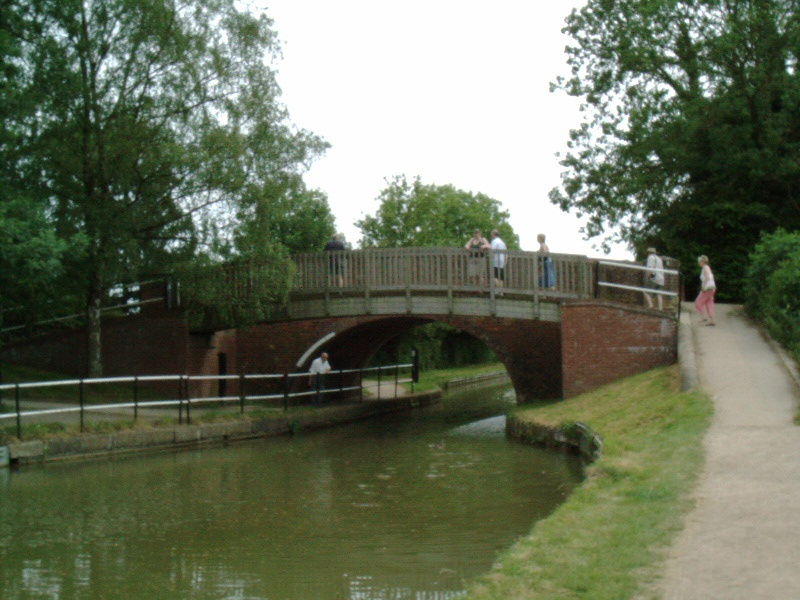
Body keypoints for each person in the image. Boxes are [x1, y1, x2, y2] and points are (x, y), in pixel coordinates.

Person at [695, 255, 716, 326]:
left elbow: (707, 276)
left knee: (698, 302)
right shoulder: (707, 267)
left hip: (707, 288)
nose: (699, 263)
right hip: (712, 288)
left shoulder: (705, 268)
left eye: (699, 261)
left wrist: (704, 286)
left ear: (702, 261)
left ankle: (704, 317)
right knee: (709, 303)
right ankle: (711, 320)